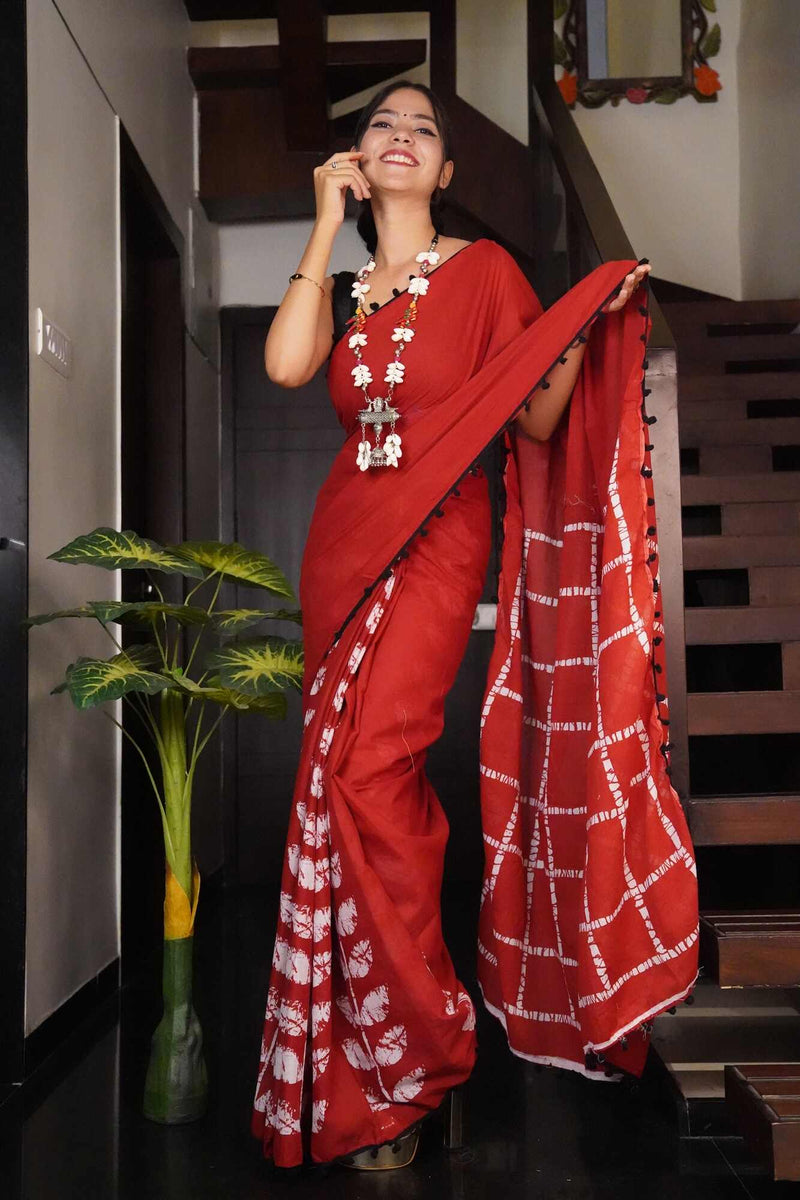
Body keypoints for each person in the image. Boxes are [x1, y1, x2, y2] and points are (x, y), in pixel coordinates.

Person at [251, 80, 698, 1172]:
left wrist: (575, 323)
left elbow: (536, 417)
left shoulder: (488, 272)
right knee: (342, 781)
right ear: (358, 165)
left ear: (447, 171)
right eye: (381, 126)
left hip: (441, 542)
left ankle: (425, 1046)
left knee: (371, 773)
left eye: (422, 128)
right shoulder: (344, 285)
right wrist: (323, 225)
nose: (400, 136)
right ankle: (378, 1065)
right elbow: (286, 365)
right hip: (345, 545)